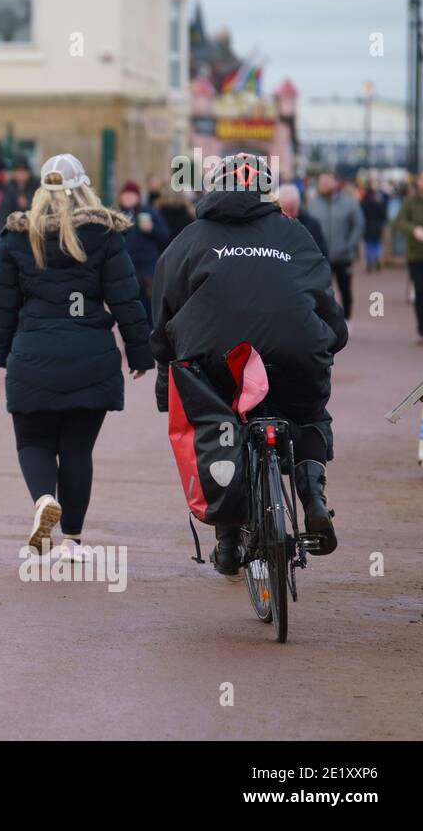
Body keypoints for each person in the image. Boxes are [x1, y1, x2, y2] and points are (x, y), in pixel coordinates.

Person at [151, 153, 345, 577]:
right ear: (266, 190)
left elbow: (163, 316)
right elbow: (321, 294)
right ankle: (312, 496)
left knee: (219, 429)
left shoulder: (190, 238)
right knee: (309, 415)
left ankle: (226, 541)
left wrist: (167, 382)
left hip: (214, 359)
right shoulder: (294, 233)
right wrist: (332, 337)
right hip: (296, 351)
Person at [0, 155, 152, 560]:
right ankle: (72, 541)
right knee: (78, 449)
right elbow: (127, 299)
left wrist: (4, 353)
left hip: (33, 353)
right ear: (86, 189)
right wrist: (139, 352)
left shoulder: (16, 237)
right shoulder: (106, 235)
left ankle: (44, 499)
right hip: (91, 355)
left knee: (33, 442)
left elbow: (3, 305)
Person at [308, 171, 363, 319]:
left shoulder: (349, 203)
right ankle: (326, 322)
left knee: (345, 291)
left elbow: (358, 225)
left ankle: (348, 320)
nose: (324, 185)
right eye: (322, 182)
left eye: (327, 182)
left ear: (336, 183)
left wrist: (349, 245)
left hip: (343, 256)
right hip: (320, 258)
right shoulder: (312, 205)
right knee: (322, 292)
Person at [115, 179, 170, 323]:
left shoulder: (148, 212)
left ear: (138, 197)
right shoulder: (116, 215)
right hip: (125, 267)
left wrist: (151, 229)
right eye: (125, 195)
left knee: (149, 304)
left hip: (147, 269)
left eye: (131, 195)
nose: (128, 198)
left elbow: (165, 234)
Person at [392, 168, 423, 342]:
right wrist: (414, 230)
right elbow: (398, 221)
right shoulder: (410, 202)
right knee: (420, 291)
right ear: (419, 181)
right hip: (417, 255)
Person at [278, 184, 329, 259]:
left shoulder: (312, 225)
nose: (288, 215)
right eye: (285, 210)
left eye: (291, 210)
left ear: (298, 205)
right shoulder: (273, 226)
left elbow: (322, 255)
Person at [0, 156, 35, 232]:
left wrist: (27, 205)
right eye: (18, 171)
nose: (20, 174)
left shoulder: (36, 188)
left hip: (32, 231)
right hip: (12, 232)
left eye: (23, 171)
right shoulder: (7, 188)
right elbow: (2, 213)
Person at [359, 179, 389, 273]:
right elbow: (384, 215)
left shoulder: (363, 204)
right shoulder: (377, 203)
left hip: (367, 227)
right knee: (377, 244)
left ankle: (369, 263)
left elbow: (360, 217)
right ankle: (377, 259)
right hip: (377, 227)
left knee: (368, 246)